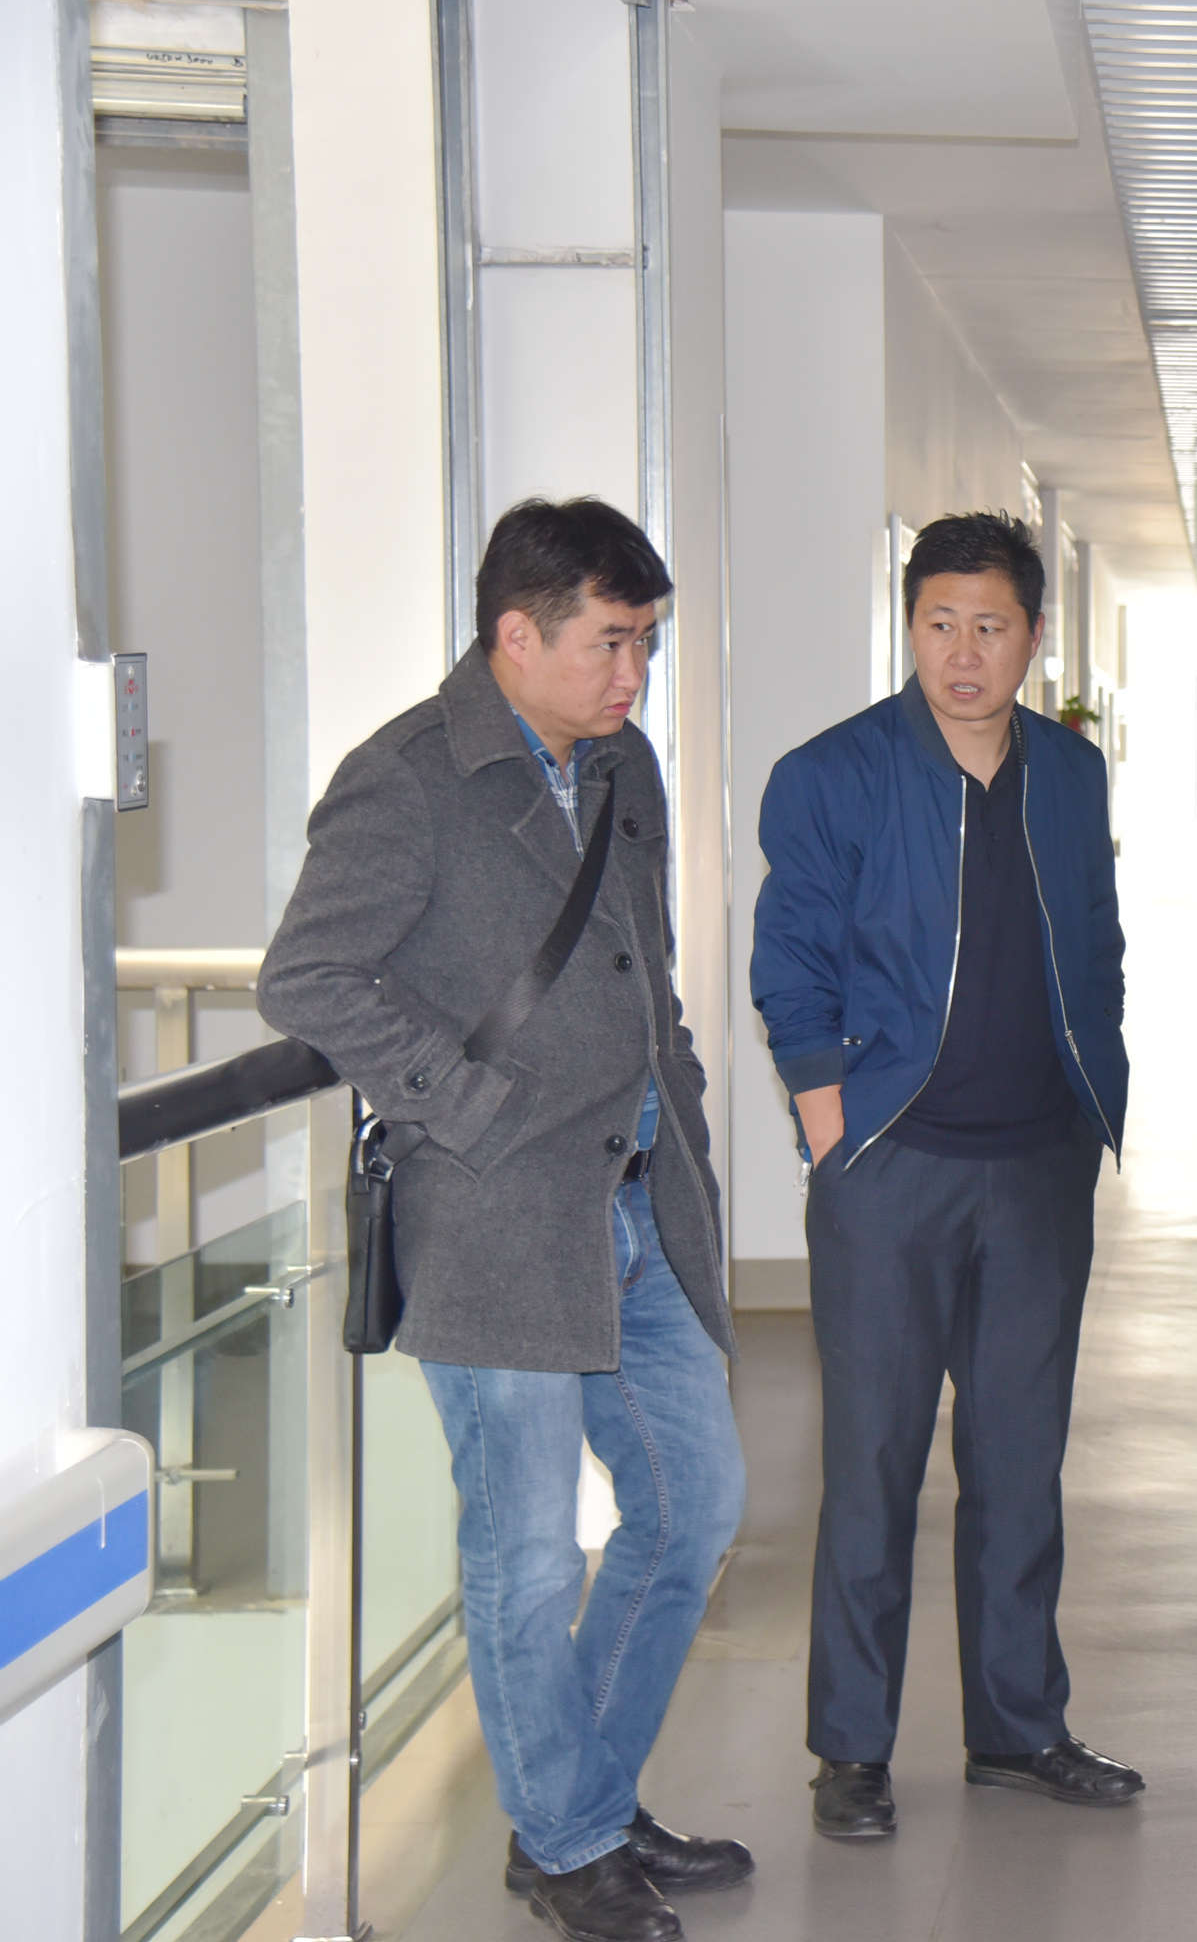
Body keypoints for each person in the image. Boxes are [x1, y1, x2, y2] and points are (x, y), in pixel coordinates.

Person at [261, 498, 748, 1942]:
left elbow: (647, 979)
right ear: (515, 635)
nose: (633, 674)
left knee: (692, 1508)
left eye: (646, 643)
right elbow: (307, 978)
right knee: (527, 1554)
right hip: (495, 1224)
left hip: (639, 1207)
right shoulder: (408, 777)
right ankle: (573, 1838)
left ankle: (579, 1800)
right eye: (611, 643)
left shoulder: (622, 766)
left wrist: (682, 1120)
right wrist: (461, 1108)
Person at [748, 510, 1137, 1842]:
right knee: (872, 1465)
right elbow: (791, 959)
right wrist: (830, 1128)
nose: (963, 654)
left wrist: (1092, 1098)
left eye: (989, 627)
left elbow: (1098, 942)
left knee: (1021, 1467)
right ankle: (852, 1750)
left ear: (1033, 637)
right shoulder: (834, 775)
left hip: (1038, 1168)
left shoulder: (1070, 773)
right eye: (938, 625)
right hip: (893, 1168)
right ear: (909, 626)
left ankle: (1018, 1729)